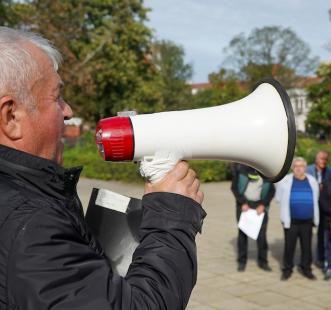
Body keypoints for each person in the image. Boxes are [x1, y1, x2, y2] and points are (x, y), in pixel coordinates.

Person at [0, 27, 206, 309]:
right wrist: (172, 214)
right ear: (11, 116)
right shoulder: (32, 227)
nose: (68, 110)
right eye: (56, 97)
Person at [275, 157, 319, 281]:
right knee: (289, 247)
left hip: (307, 220)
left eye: (301, 166)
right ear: (292, 168)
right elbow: (278, 198)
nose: (299, 169)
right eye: (296, 166)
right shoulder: (285, 181)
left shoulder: (312, 180)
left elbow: (316, 198)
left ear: (305, 168)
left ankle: (306, 268)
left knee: (307, 247)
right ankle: (287, 270)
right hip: (291, 221)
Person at [231, 164, 275, 272]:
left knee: (262, 236)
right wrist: (242, 202)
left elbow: (271, 191)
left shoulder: (266, 172)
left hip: (260, 206)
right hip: (244, 206)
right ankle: (242, 261)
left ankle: (263, 262)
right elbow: (234, 188)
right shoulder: (240, 170)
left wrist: (263, 205)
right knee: (242, 234)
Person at [307, 150, 331, 269]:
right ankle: (306, 259)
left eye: (325, 159)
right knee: (306, 232)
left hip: (324, 205)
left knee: (323, 233)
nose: (324, 161)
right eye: (321, 158)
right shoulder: (308, 170)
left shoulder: (330, 171)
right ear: (316, 159)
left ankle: (321, 258)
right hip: (310, 205)